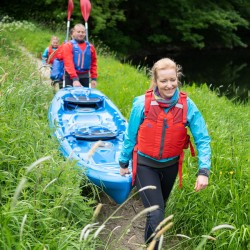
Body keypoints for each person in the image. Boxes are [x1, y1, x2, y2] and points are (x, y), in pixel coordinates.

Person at [119, 58, 211, 249]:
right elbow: (130, 135)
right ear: (155, 81)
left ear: (177, 78)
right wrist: (123, 162)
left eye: (172, 80)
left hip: (170, 166)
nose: (169, 85)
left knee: (158, 211)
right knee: (156, 213)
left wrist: (204, 171)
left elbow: (202, 139)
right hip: (145, 164)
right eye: (163, 81)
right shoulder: (141, 104)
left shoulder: (187, 106)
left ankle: (148, 244)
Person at [63, 23, 98, 88]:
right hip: (70, 76)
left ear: (85, 33)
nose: (81, 34)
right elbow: (68, 63)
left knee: (84, 97)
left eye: (83, 32)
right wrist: (75, 79)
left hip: (85, 76)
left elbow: (94, 63)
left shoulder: (90, 47)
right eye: (78, 32)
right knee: (71, 97)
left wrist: (94, 79)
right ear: (73, 32)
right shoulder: (68, 45)